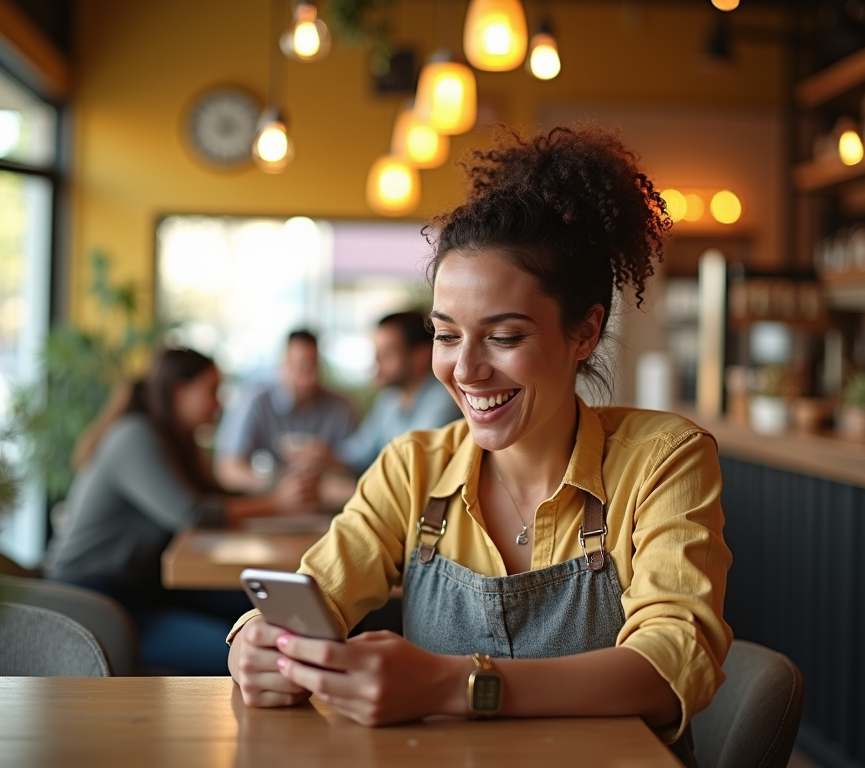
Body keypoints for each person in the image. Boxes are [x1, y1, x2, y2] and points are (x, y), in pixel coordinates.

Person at [226, 123, 732, 767]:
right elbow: (313, 592)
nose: (465, 370)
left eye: (504, 337)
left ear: (584, 331)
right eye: (446, 335)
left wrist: (455, 685)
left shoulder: (662, 459)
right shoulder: (412, 468)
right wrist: (252, 643)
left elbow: (670, 667)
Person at [47, 347, 317, 675]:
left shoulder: (173, 438)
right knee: (242, 652)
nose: (219, 403)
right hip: (98, 603)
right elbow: (192, 514)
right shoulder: (136, 435)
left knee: (258, 608)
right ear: (178, 390)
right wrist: (277, 502)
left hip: (144, 588)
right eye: (211, 391)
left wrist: (277, 490)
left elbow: (213, 496)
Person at [214, 329, 356, 494]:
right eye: (301, 368)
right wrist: (278, 487)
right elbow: (227, 470)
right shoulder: (256, 401)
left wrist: (329, 459)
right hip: (268, 505)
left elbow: (359, 467)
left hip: (326, 504)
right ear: (283, 366)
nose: (309, 377)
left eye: (314, 367)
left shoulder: (340, 407)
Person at [335, 311, 461, 477]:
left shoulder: (444, 400)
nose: (376, 362)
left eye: (386, 354)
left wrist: (347, 491)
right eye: (376, 353)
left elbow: (411, 473)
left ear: (420, 357)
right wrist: (323, 456)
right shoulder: (390, 397)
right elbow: (362, 451)